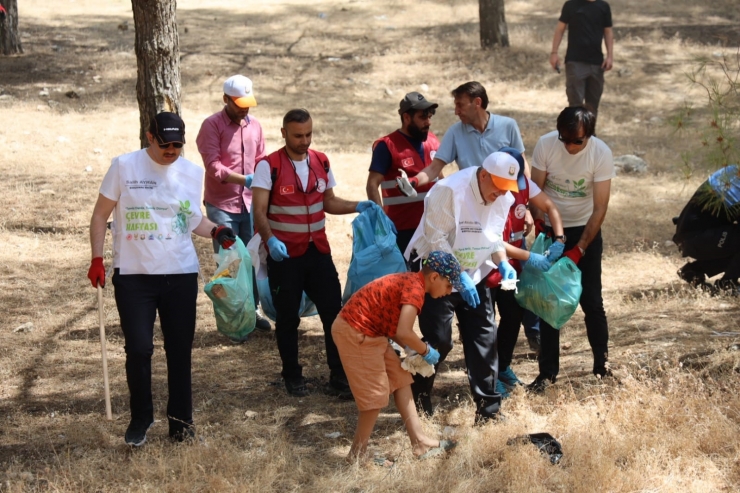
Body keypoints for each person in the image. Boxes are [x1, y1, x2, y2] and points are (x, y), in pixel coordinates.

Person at [87, 112, 237, 446]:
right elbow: (100, 215)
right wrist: (97, 258)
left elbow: (192, 219)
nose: (171, 151)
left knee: (179, 350)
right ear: (149, 136)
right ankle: (141, 419)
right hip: (134, 276)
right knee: (139, 348)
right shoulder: (124, 166)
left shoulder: (190, 172)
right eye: (165, 144)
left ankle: (182, 424)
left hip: (180, 274)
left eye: (177, 145)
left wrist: (217, 230)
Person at [251, 108, 379, 399]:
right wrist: (270, 240)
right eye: (298, 135)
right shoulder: (268, 166)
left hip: (318, 252)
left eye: (309, 134)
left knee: (335, 314)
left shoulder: (321, 161)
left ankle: (339, 374)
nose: (304, 140)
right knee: (287, 319)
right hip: (285, 256)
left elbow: (329, 202)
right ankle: (292, 375)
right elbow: (259, 211)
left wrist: (358, 205)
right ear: (283, 133)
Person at [405, 151, 520, 423]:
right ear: (483, 175)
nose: (502, 195)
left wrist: (502, 262)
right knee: (439, 341)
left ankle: (489, 412)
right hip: (436, 274)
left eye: (507, 189)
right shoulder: (448, 191)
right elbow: (436, 240)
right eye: (498, 187)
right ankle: (418, 403)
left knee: (484, 338)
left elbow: (492, 239)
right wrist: (457, 276)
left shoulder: (504, 197)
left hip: (474, 274)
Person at [332, 251, 463, 465]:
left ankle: (419, 442)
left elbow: (392, 325)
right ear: (434, 277)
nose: (450, 292)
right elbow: (404, 331)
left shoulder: (413, 283)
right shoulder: (415, 290)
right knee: (374, 397)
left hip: (372, 332)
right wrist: (425, 350)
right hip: (356, 332)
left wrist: (410, 349)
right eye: (449, 285)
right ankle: (356, 456)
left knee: (401, 380)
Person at [528, 106, 615, 391]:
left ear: (589, 135)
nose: (570, 146)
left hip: (584, 228)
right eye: (564, 139)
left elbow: (600, 207)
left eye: (577, 141)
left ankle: (602, 366)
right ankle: (547, 373)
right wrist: (542, 228)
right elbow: (535, 191)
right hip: (553, 230)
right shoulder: (546, 145)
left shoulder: (600, 153)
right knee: (549, 303)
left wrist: (580, 248)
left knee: (592, 302)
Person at [486, 147, 565, 398]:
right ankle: (488, 378)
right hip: (488, 266)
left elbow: (550, 205)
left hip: (513, 267)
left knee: (512, 315)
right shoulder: (490, 193)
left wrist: (559, 237)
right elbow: (494, 243)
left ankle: (503, 366)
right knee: (485, 325)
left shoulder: (524, 185)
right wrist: (532, 257)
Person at [196, 75, 271, 336]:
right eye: (239, 103)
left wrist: (262, 181)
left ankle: (254, 310)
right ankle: (233, 316)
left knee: (252, 258)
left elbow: (262, 159)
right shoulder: (211, 126)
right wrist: (246, 179)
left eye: (247, 103)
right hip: (221, 204)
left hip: (250, 205)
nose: (244, 108)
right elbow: (213, 166)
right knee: (230, 260)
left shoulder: (256, 127)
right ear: (225, 99)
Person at [366, 92, 441, 256]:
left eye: (429, 116)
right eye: (423, 117)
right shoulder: (387, 145)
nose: (428, 122)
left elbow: (439, 176)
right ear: (407, 117)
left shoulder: (434, 141)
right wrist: (382, 221)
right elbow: (372, 184)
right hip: (402, 229)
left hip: (433, 226)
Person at [674, 165, 740, 294]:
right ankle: (728, 284)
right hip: (697, 238)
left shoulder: (732, 171)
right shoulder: (734, 182)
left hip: (696, 237)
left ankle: (694, 271)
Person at [550, 0, 614, 123]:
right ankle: (575, 136)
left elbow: (608, 32)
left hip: (597, 63)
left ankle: (590, 137)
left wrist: (610, 56)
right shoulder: (571, 5)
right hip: (575, 62)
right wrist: (554, 53)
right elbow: (560, 29)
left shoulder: (603, 7)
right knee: (575, 106)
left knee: (593, 106)